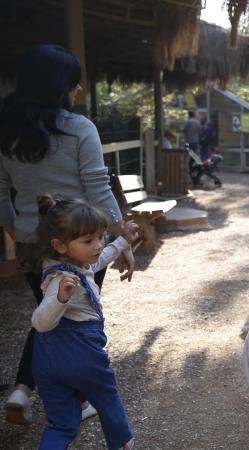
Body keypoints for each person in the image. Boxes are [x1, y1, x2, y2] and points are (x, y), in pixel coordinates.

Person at [0, 44, 135, 426]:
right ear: (59, 85)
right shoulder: (79, 129)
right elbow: (98, 186)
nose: (78, 91)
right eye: (75, 83)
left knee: (50, 313)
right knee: (75, 319)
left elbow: (1, 190)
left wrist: (17, 231)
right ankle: (75, 401)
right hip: (82, 238)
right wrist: (118, 236)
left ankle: (23, 389)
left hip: (32, 240)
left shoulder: (6, 131)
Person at [29, 194, 138, 449]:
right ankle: (122, 442)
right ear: (59, 245)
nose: (98, 245)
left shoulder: (75, 262)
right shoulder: (60, 279)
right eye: (88, 240)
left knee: (62, 424)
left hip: (47, 362)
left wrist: (122, 240)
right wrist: (59, 299)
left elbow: (100, 259)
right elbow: (40, 323)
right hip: (81, 354)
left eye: (100, 237)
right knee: (107, 398)